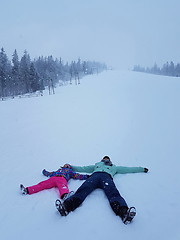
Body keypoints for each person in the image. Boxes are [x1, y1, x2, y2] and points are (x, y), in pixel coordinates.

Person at [55, 156, 148, 224]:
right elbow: (83, 168)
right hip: (94, 176)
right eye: (105, 158)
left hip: (106, 178)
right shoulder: (97, 165)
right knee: (83, 189)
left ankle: (123, 212)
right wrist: (70, 166)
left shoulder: (113, 167)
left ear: (110, 160)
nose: (106, 159)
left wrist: (142, 169)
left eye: (107, 158)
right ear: (102, 160)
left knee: (113, 193)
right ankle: (67, 206)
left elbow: (127, 169)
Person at [20, 164, 89, 200]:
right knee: (42, 184)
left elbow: (78, 175)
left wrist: (87, 177)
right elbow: (50, 173)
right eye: (65, 164)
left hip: (62, 179)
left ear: (70, 167)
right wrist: (45, 172)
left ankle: (65, 195)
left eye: (68, 165)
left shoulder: (70, 172)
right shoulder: (58, 171)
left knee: (63, 186)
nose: (66, 165)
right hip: (54, 178)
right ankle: (27, 190)